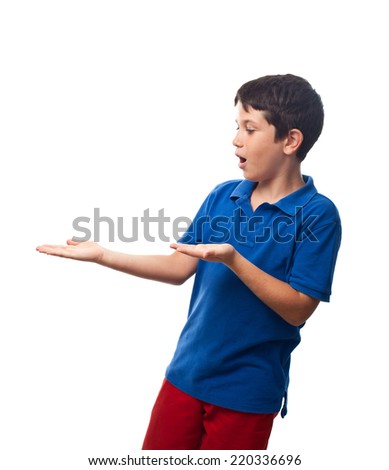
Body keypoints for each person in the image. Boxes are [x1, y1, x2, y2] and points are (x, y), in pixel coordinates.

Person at [36, 74, 341, 450]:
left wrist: (234, 260)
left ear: (290, 140)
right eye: (236, 127)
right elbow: (179, 268)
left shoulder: (317, 214)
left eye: (250, 128)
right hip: (185, 376)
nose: (236, 139)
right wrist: (103, 255)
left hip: (246, 392)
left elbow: (298, 309)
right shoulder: (223, 196)